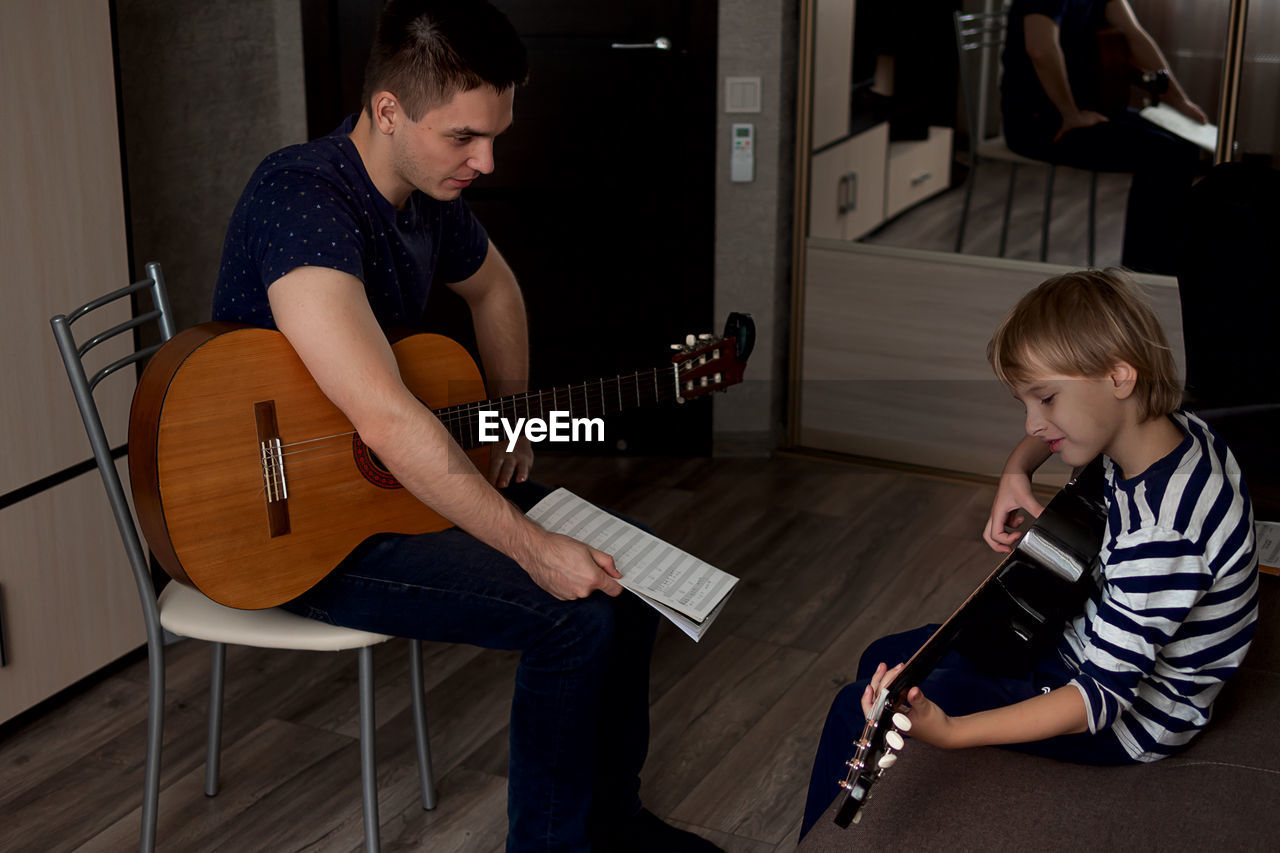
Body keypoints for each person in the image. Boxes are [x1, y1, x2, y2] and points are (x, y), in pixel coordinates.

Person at [211, 2, 720, 851]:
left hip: (382, 490)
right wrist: (529, 544)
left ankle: (611, 822)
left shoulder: (425, 193)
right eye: (463, 138)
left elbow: (498, 290)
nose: (486, 161)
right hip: (284, 528)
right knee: (571, 612)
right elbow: (382, 416)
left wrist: (515, 417)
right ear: (387, 112)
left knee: (623, 583)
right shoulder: (301, 199)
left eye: (495, 136)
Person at [800, 268, 1258, 837]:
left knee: (858, 707)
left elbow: (1097, 700)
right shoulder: (1174, 430)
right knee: (883, 656)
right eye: (1025, 402)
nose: (1033, 423)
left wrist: (952, 734)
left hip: (1126, 718)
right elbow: (1057, 436)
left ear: (1119, 376)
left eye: (1045, 398)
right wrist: (1017, 469)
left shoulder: (1163, 534)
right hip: (1084, 637)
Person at [1001, 0, 1205, 274]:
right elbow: (1039, 49)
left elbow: (1134, 35)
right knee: (1164, 156)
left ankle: (1161, 265)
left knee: (1185, 147)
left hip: (1085, 112)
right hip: (1040, 123)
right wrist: (1070, 114)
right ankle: (1142, 275)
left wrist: (1180, 102)